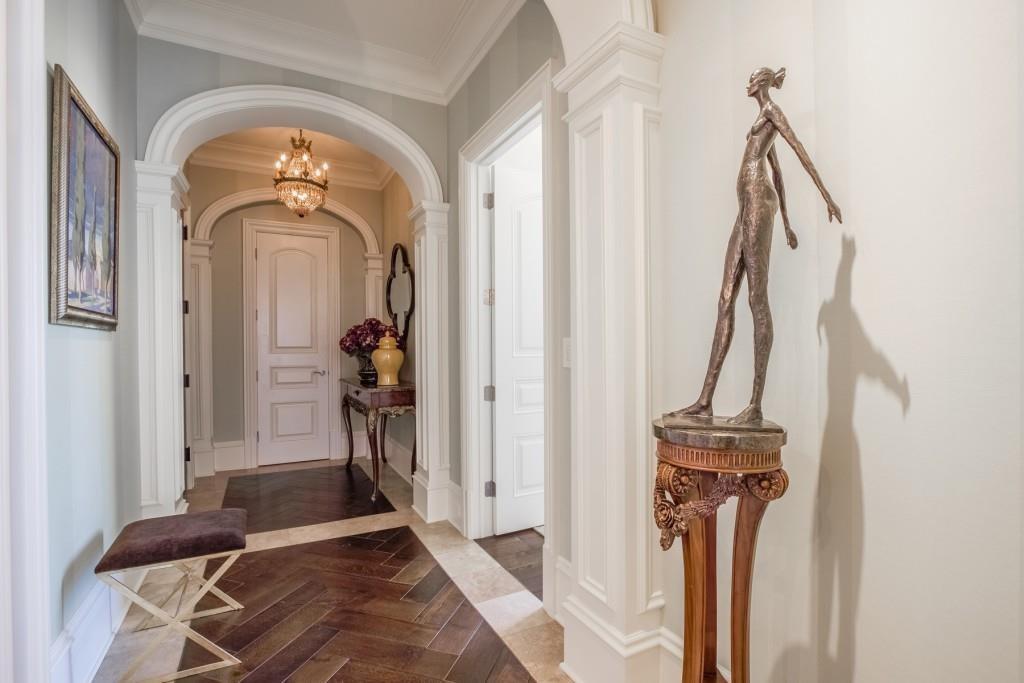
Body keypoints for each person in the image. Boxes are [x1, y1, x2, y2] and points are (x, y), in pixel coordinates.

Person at [674, 67, 842, 424]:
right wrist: (788, 224)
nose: (747, 83)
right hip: (747, 205)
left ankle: (755, 404)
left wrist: (826, 196)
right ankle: (705, 401)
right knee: (724, 299)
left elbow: (799, 150)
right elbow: (778, 172)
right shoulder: (760, 120)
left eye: (752, 79)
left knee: (756, 298)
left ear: (763, 84)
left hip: (756, 201)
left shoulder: (772, 111)